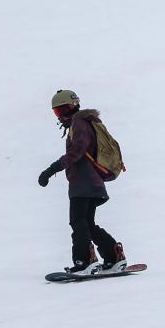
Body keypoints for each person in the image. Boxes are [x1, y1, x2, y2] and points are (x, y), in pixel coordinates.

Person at [37, 89, 127, 276]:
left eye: (61, 111)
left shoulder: (79, 124)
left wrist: (51, 169)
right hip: (93, 183)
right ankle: (113, 257)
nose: (60, 116)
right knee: (88, 223)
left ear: (72, 107)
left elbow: (76, 152)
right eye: (56, 113)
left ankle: (84, 262)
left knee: (78, 222)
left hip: (83, 183)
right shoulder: (86, 123)